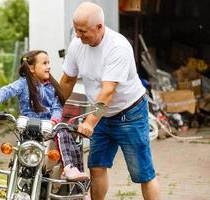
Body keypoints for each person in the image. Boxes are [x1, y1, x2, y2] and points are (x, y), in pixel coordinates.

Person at [59, 2, 161, 200]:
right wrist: (54, 108)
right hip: (102, 115)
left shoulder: (118, 47)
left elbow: (108, 91)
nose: (78, 35)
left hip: (129, 114)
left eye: (82, 31)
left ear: (99, 27)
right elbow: (67, 79)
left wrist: (89, 123)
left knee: (143, 173)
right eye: (76, 30)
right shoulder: (77, 43)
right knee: (96, 167)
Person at [0, 50, 88, 181]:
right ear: (32, 68)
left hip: (49, 128)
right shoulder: (22, 83)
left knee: (63, 132)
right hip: (29, 129)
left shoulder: (52, 87)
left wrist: (54, 121)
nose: (49, 66)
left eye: (49, 63)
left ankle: (68, 168)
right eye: (45, 63)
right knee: (19, 149)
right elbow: (6, 91)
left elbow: (57, 107)